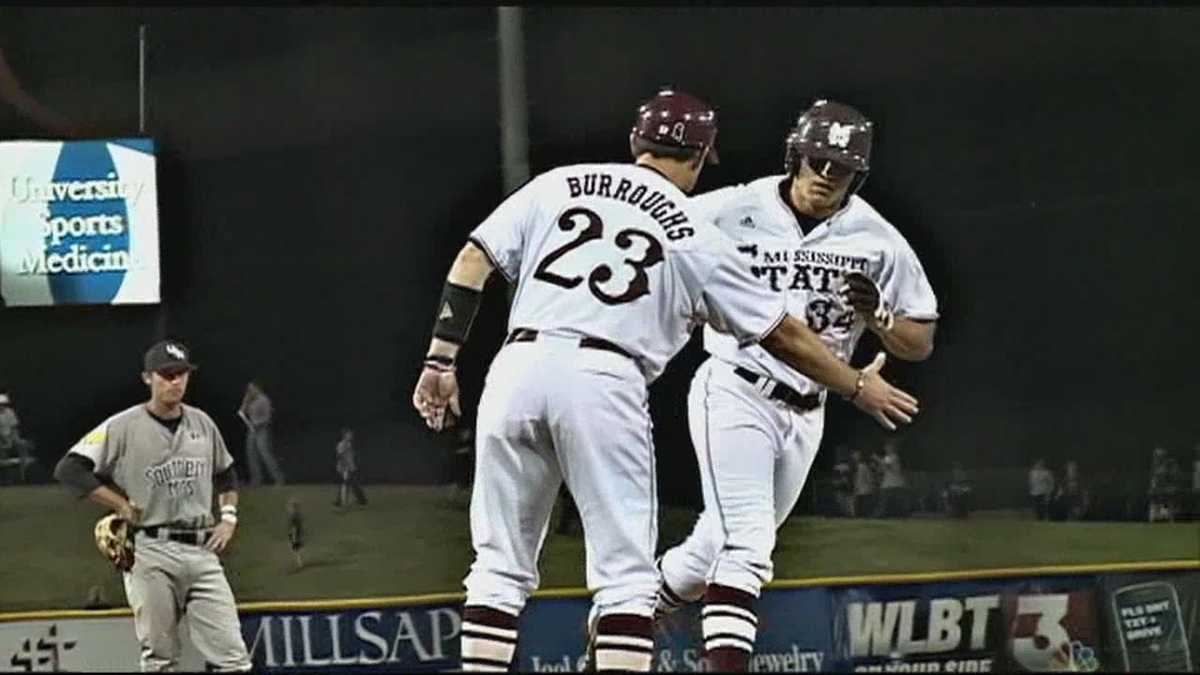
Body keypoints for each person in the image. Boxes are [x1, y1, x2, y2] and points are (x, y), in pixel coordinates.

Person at [410, 88, 919, 672]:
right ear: (702, 158)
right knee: (627, 581)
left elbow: (473, 260)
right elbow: (783, 335)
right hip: (605, 377)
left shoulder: (559, 183)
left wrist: (440, 361)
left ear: (635, 142)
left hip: (517, 366)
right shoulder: (692, 230)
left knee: (498, 568)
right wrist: (855, 384)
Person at [653, 99, 938, 670]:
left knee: (710, 545)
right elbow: (654, 240)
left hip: (810, 411)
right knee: (748, 548)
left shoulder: (876, 237)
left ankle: (627, 615)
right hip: (736, 386)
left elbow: (919, 338)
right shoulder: (734, 207)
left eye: (841, 167)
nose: (826, 175)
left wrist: (881, 318)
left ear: (859, 174)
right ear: (795, 154)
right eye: (817, 160)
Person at [52, 339, 251, 671]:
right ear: (148, 378)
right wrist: (120, 505)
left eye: (181, 374)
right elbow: (69, 469)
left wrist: (228, 518)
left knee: (234, 658)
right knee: (160, 658)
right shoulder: (122, 426)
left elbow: (227, 474)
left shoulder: (202, 422)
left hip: (203, 552)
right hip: (151, 552)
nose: (175, 381)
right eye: (166, 374)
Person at [237, 380, 284, 486]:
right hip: (252, 430)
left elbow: (268, 417)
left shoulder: (264, 400)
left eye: (251, 388)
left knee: (265, 454)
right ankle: (256, 480)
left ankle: (278, 479)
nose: (249, 390)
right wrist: (246, 400)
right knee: (251, 455)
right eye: (248, 388)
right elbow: (242, 412)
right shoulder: (250, 400)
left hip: (262, 429)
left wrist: (258, 425)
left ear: (257, 388)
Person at [0, 390, 37, 484]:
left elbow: (14, 429)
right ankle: (5, 476)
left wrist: (16, 440)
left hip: (10, 438)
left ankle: (23, 475)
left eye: (3, 404)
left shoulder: (9, 412)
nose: (2, 406)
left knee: (23, 445)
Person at [333, 428, 367, 508]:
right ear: (345, 435)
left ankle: (361, 501)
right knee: (348, 484)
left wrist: (351, 464)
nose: (351, 435)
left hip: (350, 468)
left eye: (351, 434)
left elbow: (349, 456)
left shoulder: (348, 444)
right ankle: (360, 501)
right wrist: (345, 466)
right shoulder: (341, 444)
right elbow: (339, 456)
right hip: (345, 468)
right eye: (349, 434)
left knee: (350, 484)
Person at [852, 448, 876, 518]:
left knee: (862, 510)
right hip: (860, 491)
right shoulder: (858, 467)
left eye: (857, 455)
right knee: (859, 510)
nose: (855, 457)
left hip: (864, 491)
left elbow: (869, 478)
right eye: (854, 455)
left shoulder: (863, 466)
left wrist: (871, 487)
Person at [287, 497, 305, 569]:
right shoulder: (297, 515)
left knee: (295, 548)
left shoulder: (293, 516)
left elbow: (294, 527)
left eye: (290, 507)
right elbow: (299, 525)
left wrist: (294, 537)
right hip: (297, 533)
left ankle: (299, 562)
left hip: (295, 533)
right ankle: (299, 561)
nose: (289, 508)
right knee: (296, 548)